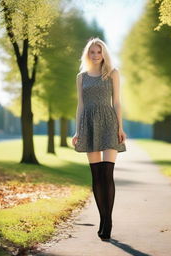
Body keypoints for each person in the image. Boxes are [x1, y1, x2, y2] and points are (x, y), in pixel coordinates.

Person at [71, 37, 127, 241]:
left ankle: (108, 220)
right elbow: (80, 106)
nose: (95, 55)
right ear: (88, 54)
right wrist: (78, 131)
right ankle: (102, 218)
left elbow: (117, 102)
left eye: (99, 51)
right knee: (96, 176)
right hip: (89, 125)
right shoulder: (81, 77)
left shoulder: (112, 73)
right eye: (92, 52)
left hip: (109, 123)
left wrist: (120, 127)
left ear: (104, 54)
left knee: (107, 174)